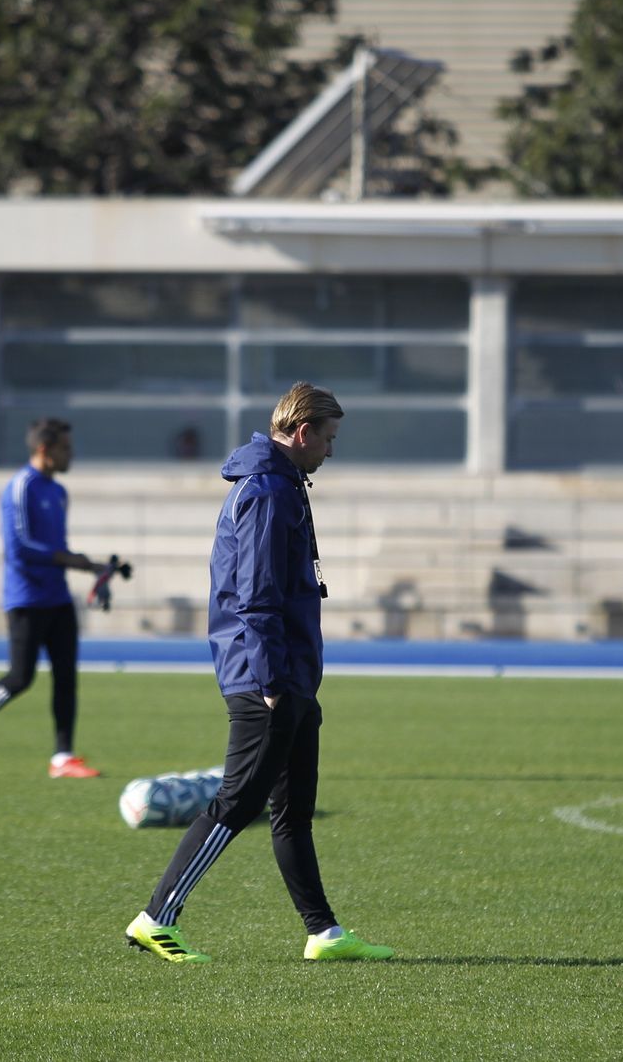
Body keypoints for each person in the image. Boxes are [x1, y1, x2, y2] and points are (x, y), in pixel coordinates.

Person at [124, 382, 394, 964]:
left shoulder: (282, 484)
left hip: (287, 674)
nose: (330, 450)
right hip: (265, 676)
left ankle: (323, 932)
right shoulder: (269, 491)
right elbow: (256, 595)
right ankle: (155, 917)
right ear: (301, 433)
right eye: (328, 437)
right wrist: (273, 681)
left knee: (293, 810)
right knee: (237, 803)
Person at [0, 418, 114, 779]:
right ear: (43, 450)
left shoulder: (58, 492)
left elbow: (56, 548)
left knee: (66, 677)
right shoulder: (21, 487)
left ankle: (62, 757)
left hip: (57, 597)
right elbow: (20, 547)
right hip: (26, 599)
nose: (71, 455)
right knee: (21, 677)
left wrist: (93, 567)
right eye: (65, 448)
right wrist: (73, 560)